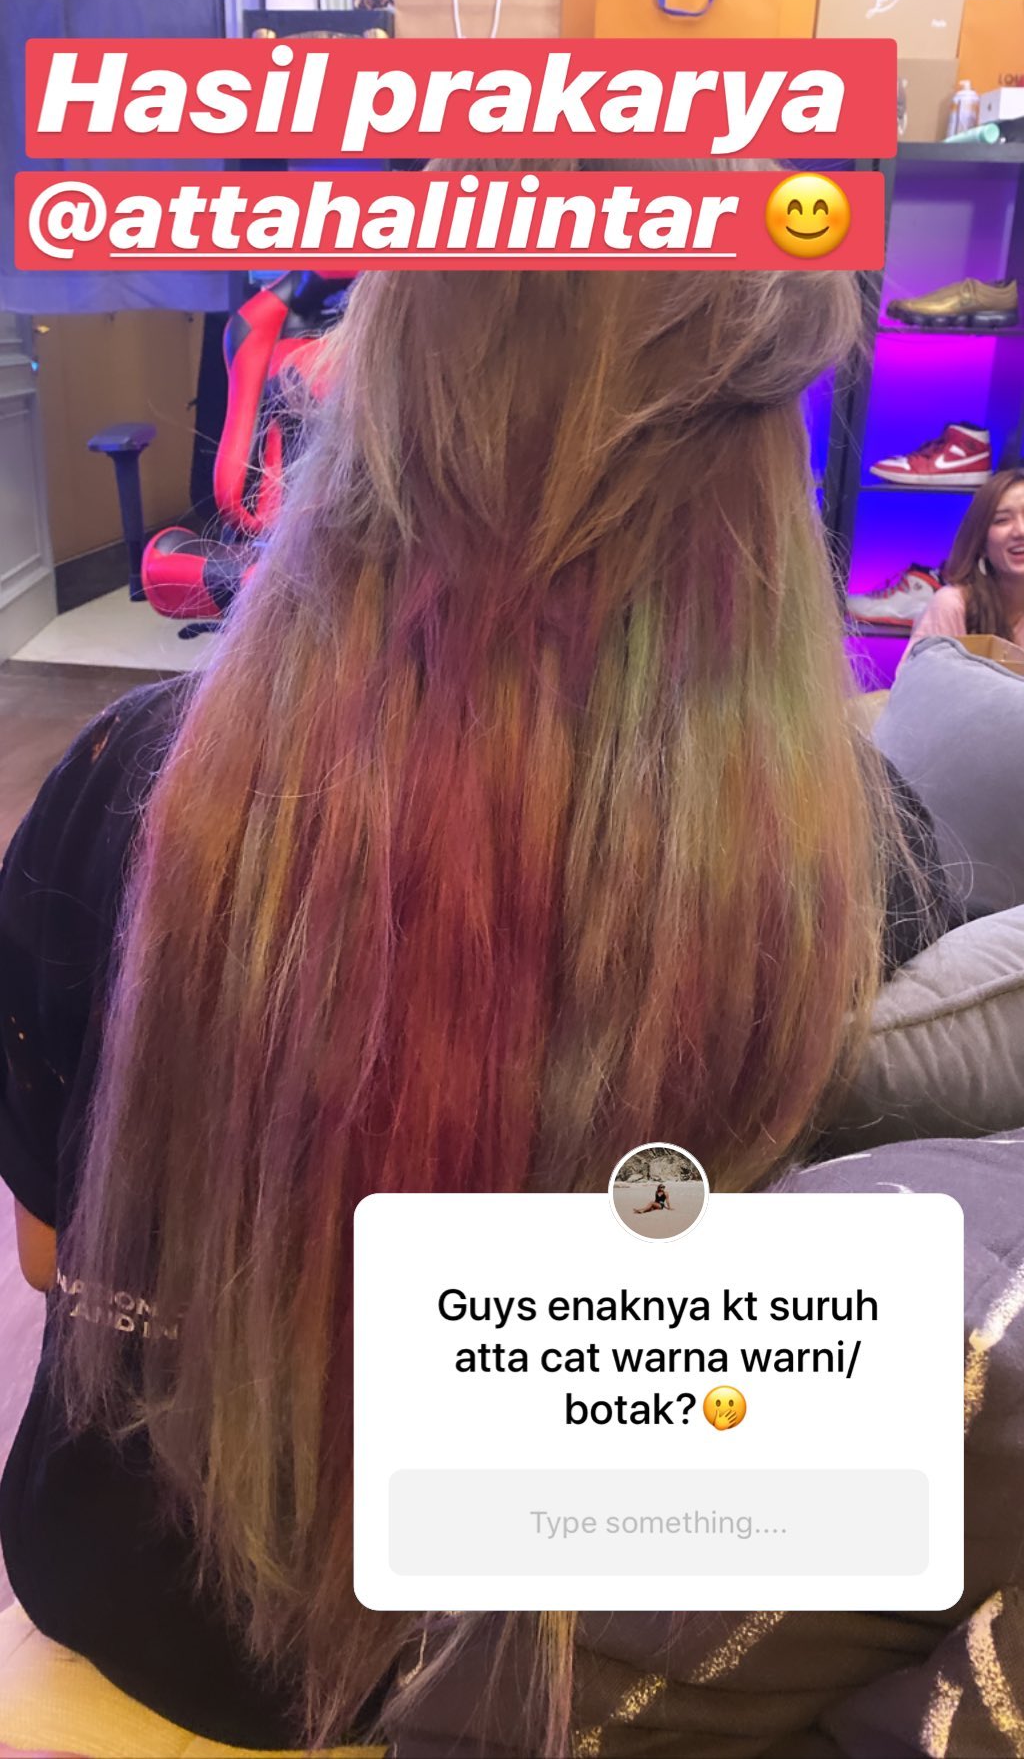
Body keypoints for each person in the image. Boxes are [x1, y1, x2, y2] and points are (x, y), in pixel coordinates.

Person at [0, 172, 958, 1758]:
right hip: (548, 1671)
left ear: (374, 404)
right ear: (757, 479)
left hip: (131, 1587)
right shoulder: (858, 863)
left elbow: (50, 1257)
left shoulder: (126, 783)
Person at [908, 466, 1024, 650]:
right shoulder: (952, 605)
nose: (1020, 531)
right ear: (981, 543)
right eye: (1002, 520)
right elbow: (924, 670)